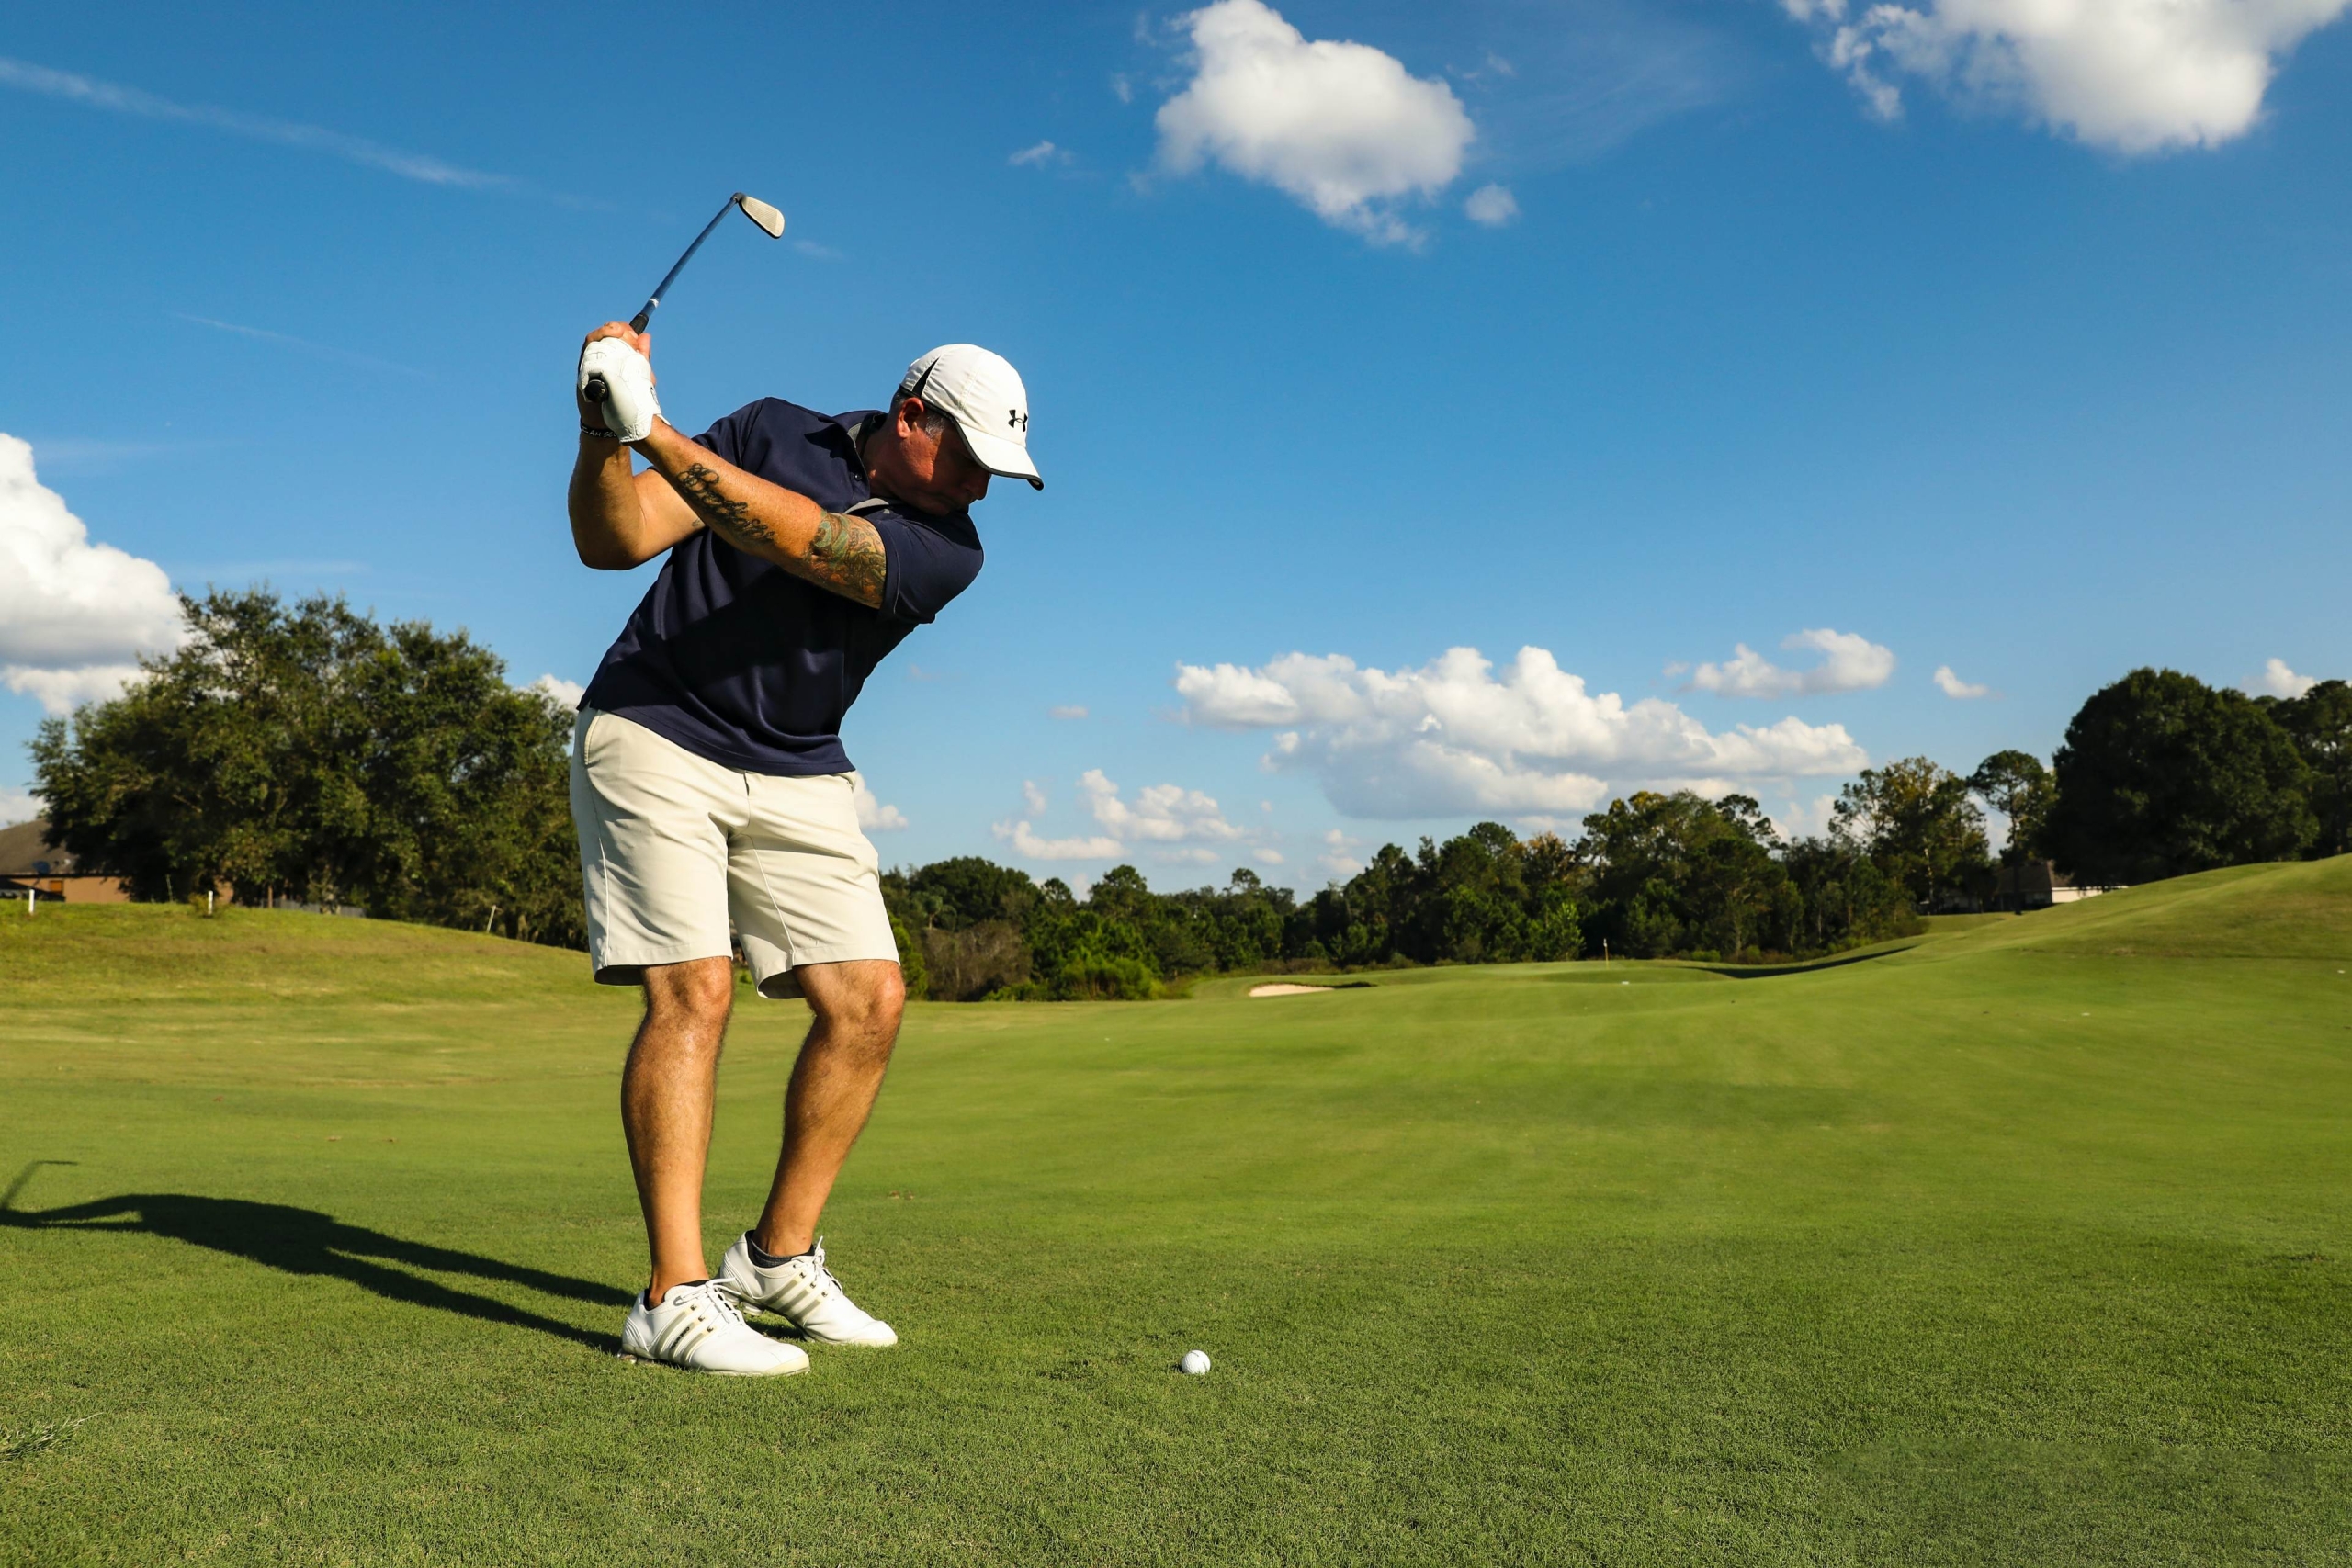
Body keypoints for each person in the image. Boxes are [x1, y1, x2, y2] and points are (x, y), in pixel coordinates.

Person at [564, 324, 1039, 1375]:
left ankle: (776, 1259)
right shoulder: (772, 429)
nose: (979, 487)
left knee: (867, 999)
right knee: (695, 991)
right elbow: (618, 540)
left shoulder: (949, 549)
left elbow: (810, 544)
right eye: (966, 459)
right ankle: (674, 1297)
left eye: (997, 472)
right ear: (910, 417)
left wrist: (656, 430)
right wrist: (605, 435)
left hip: (796, 762)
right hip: (652, 726)